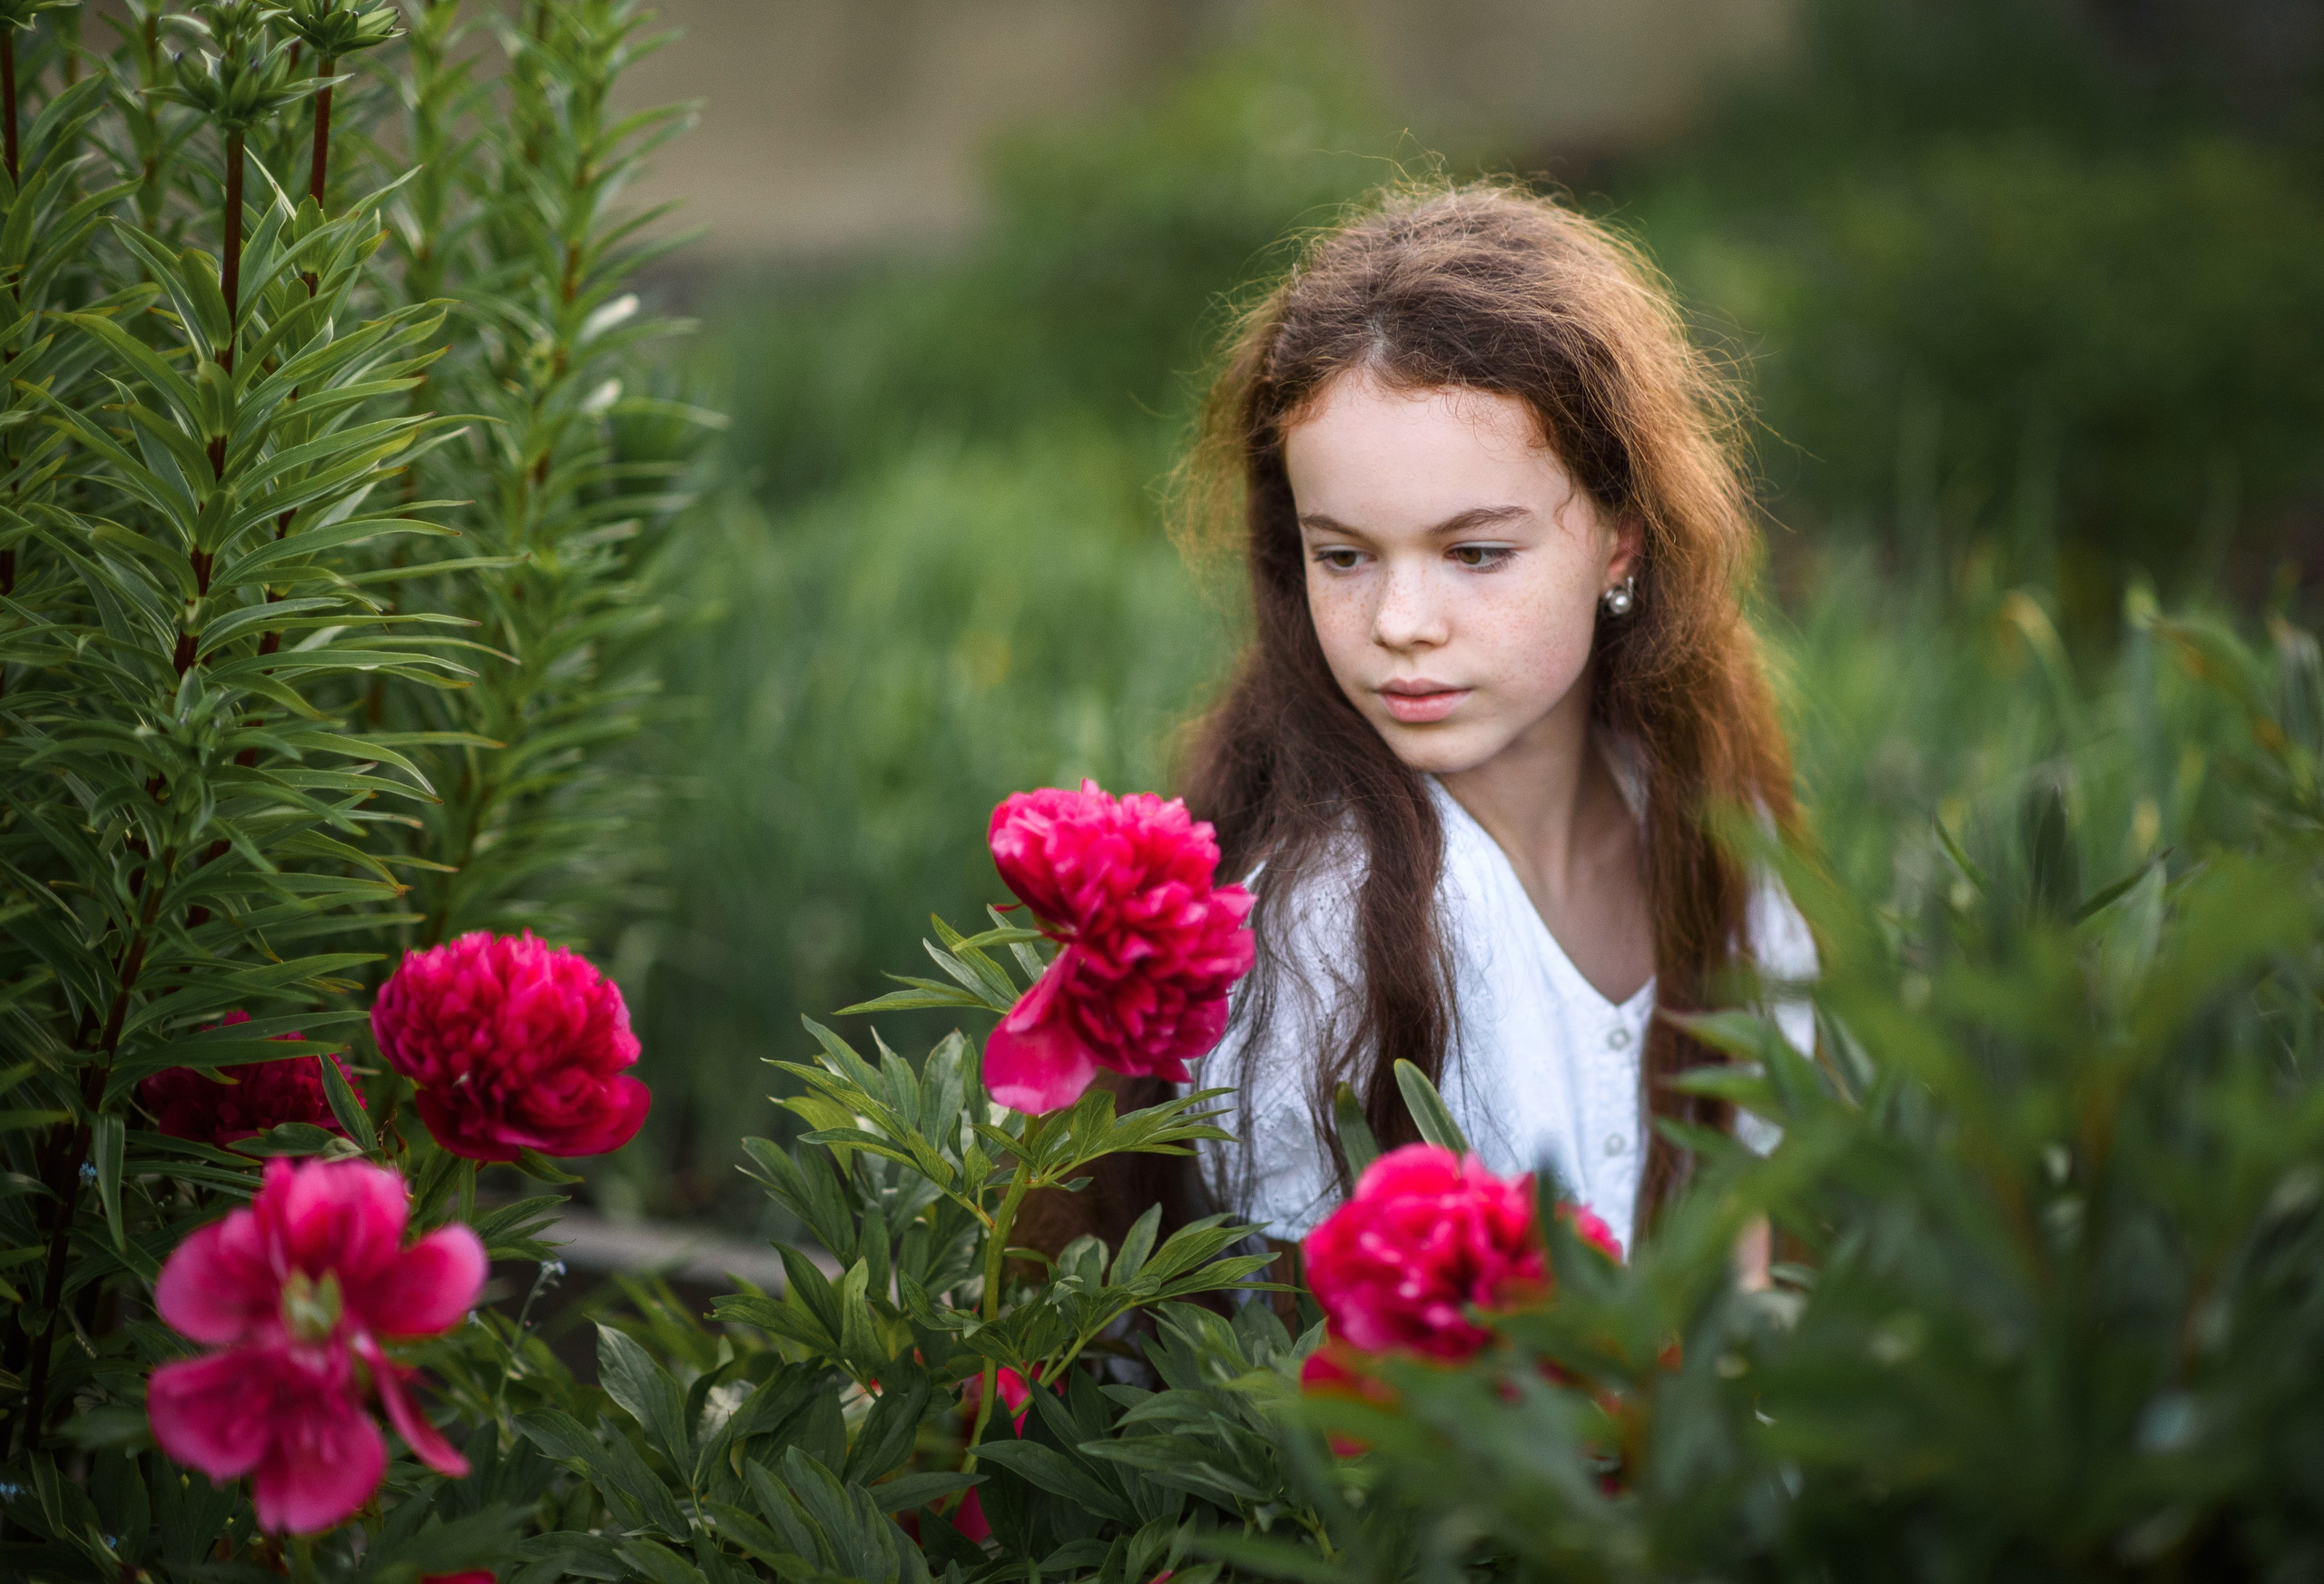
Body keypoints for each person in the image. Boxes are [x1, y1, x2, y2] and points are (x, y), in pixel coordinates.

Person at [1165, 182, 1817, 1275]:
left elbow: (1741, 1244)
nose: (1400, 625)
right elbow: (1304, 1378)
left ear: (1620, 540)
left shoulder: (1704, 820)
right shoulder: (1325, 919)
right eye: (1344, 554)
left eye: (1474, 553)